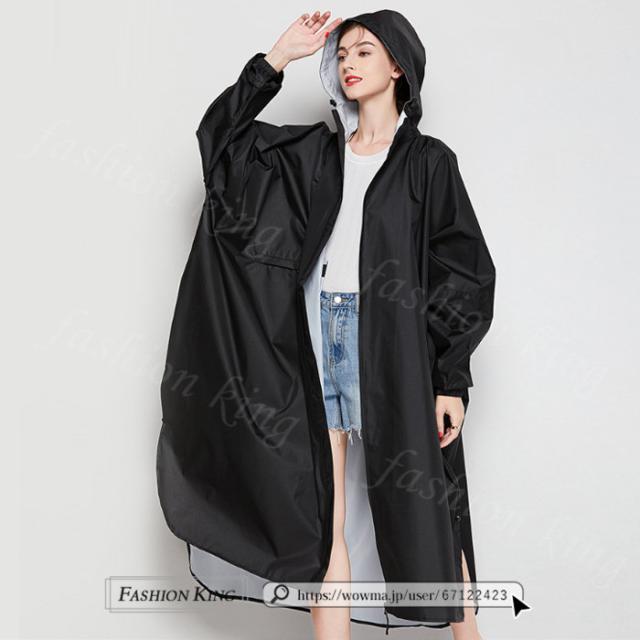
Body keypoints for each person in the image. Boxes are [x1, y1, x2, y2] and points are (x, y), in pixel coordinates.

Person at [157, 9, 495, 640]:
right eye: (341, 55)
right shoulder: (310, 153)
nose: (347, 63)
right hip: (313, 339)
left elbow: (463, 271)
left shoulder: (427, 163)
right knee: (322, 516)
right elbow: (220, 147)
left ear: (398, 66)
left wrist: (451, 378)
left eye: (364, 52)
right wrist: (277, 59)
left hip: (391, 348)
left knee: (429, 507)